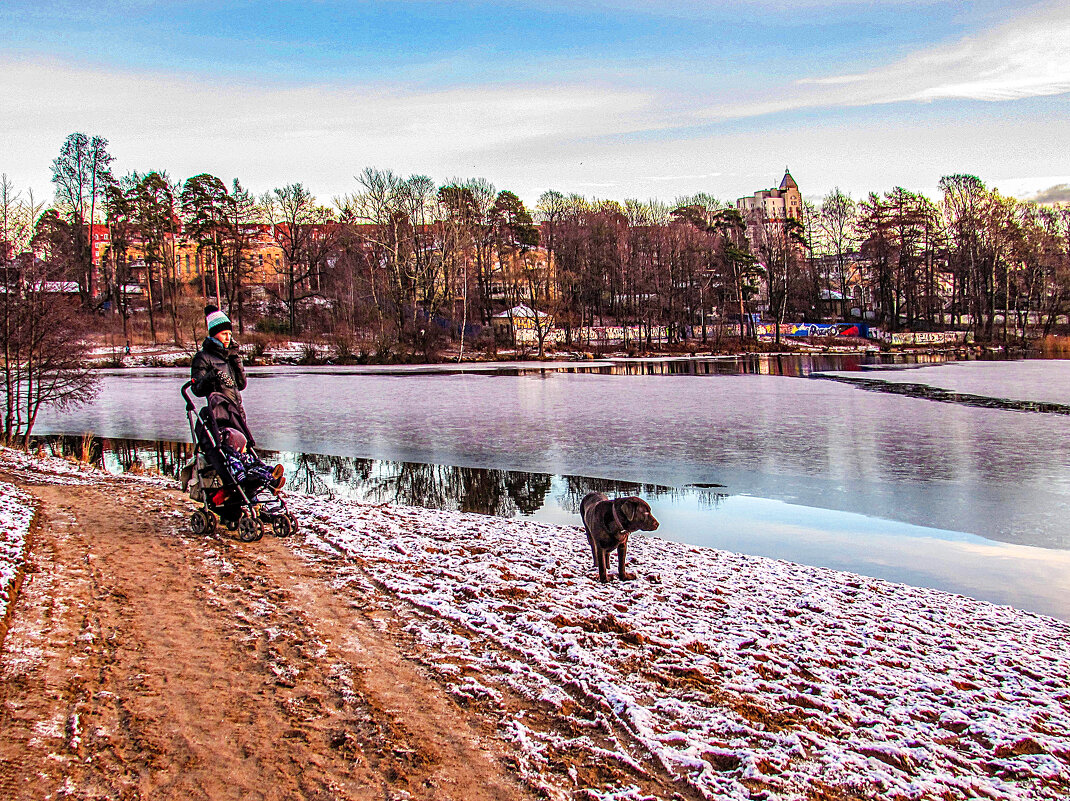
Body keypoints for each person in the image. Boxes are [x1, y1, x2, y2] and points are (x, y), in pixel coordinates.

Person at [191, 304, 248, 415]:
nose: (228, 338)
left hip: (237, 414)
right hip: (219, 416)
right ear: (214, 334)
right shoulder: (202, 357)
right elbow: (197, 390)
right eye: (224, 334)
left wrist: (236, 358)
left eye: (230, 334)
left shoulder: (231, 356)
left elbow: (241, 385)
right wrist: (213, 375)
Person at [219, 427, 285, 492]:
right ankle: (272, 478)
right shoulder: (233, 459)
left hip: (250, 470)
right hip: (247, 479)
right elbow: (239, 472)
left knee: (258, 467)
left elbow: (253, 463)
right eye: (244, 446)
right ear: (237, 447)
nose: (246, 448)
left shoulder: (243, 456)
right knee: (256, 472)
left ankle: (272, 476)